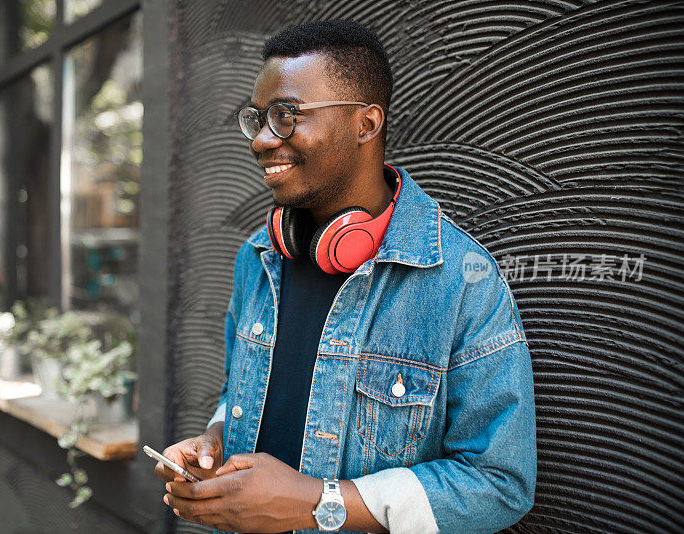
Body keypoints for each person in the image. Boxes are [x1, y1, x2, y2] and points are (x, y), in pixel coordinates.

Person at [155, 19, 536, 534]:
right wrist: (216, 441)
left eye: (286, 116)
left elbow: (498, 484)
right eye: (258, 118)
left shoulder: (463, 282)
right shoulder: (258, 256)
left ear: (366, 123)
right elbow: (240, 390)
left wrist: (318, 503)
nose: (262, 141)